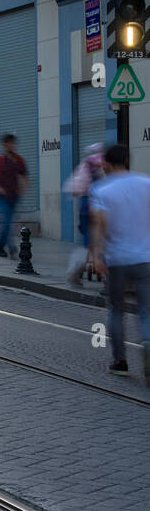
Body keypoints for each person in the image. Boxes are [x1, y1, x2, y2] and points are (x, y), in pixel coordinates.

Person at [87, 144, 150, 381]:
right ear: (126, 160)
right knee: (146, 311)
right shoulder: (146, 183)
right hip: (145, 258)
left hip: (116, 260)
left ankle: (120, 360)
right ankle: (148, 343)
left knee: (116, 310)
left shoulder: (101, 189)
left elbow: (99, 224)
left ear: (105, 164)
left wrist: (96, 256)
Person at [62, 142, 106, 286]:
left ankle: (75, 272)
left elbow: (75, 189)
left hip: (85, 210)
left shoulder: (84, 167)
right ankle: (77, 272)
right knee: (99, 244)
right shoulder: (101, 165)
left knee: (88, 244)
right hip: (97, 211)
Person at [0, 133, 28, 258]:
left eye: (13, 143)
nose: (11, 145)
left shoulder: (18, 160)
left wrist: (22, 189)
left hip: (13, 195)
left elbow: (25, 176)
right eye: (8, 143)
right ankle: (11, 247)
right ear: (4, 144)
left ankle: (0, 246)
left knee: (7, 222)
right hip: (1, 196)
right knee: (7, 222)